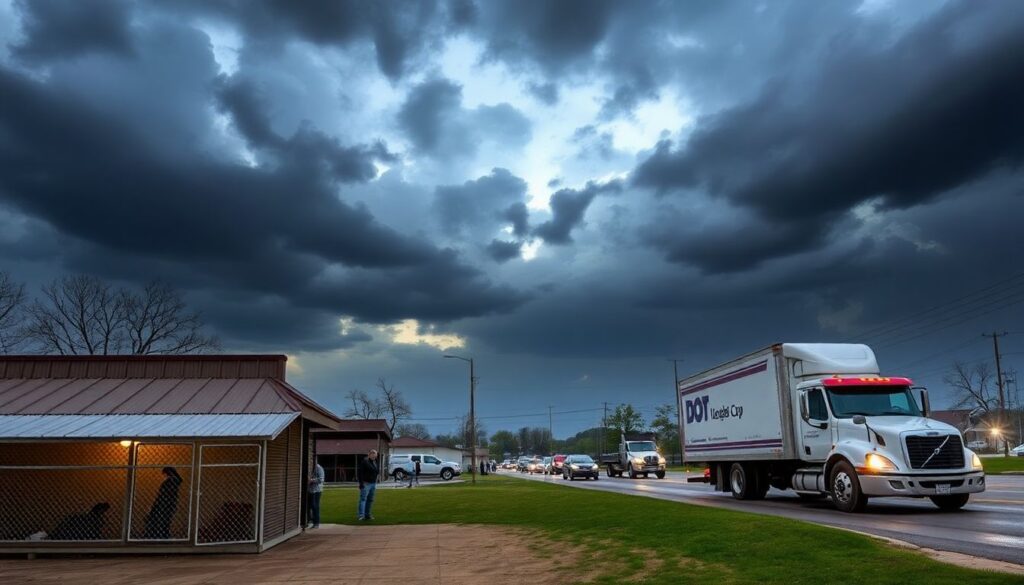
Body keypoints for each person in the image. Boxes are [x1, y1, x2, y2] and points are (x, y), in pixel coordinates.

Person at [143, 467, 183, 539]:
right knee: (164, 521)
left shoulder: (170, 482)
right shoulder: (173, 482)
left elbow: (163, 495)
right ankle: (162, 535)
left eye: (165, 473)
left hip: (164, 504)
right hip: (167, 504)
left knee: (162, 521)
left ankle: (160, 535)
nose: (165, 475)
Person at [357, 449, 379, 521]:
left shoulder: (375, 462)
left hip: (373, 483)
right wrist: (361, 484)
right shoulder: (364, 462)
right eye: (372, 454)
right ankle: (361, 515)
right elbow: (360, 473)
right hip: (366, 483)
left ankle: (367, 514)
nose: (374, 455)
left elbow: (376, 472)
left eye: (375, 454)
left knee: (370, 499)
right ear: (369, 454)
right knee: (363, 499)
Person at [307, 461, 325, 528]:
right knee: (310, 506)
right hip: (310, 490)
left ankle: (316, 523)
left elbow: (321, 480)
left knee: (315, 506)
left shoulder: (319, 468)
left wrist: (311, 480)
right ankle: (310, 520)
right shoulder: (310, 468)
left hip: (317, 490)